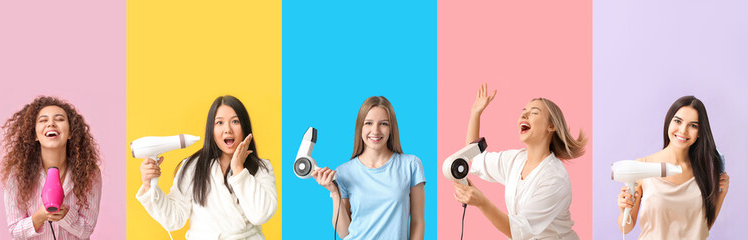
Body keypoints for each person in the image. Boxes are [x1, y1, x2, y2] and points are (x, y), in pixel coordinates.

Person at [452, 83, 586, 239]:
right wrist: (475, 113)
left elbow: (520, 231)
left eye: (534, 113)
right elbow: (475, 157)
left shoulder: (554, 178)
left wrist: (482, 202)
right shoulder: (515, 160)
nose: (524, 115)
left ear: (551, 126)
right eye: (523, 112)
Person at [137, 95, 277, 239]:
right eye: (219, 122)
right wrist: (149, 186)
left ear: (245, 127)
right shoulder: (193, 167)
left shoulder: (262, 168)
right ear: (211, 129)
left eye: (235, 121)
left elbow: (261, 215)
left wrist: (239, 170)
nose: (227, 129)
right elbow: (174, 218)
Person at [312, 96, 425, 239]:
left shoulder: (411, 165)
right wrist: (335, 193)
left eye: (383, 124)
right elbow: (343, 232)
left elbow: (418, 222)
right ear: (360, 127)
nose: (375, 131)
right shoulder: (343, 172)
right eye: (368, 123)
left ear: (391, 128)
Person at [616, 95, 729, 239]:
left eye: (693, 125)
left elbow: (701, 229)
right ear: (669, 121)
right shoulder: (642, 166)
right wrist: (623, 210)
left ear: (700, 132)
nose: (683, 130)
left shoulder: (703, 172)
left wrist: (720, 195)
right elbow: (626, 227)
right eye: (678, 121)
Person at [0, 96, 102, 239]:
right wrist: (39, 217)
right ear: (35, 134)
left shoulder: (90, 173)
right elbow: (15, 231)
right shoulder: (17, 174)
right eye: (43, 120)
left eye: (59, 119)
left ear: (71, 132)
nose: (51, 124)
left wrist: (66, 215)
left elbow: (86, 230)